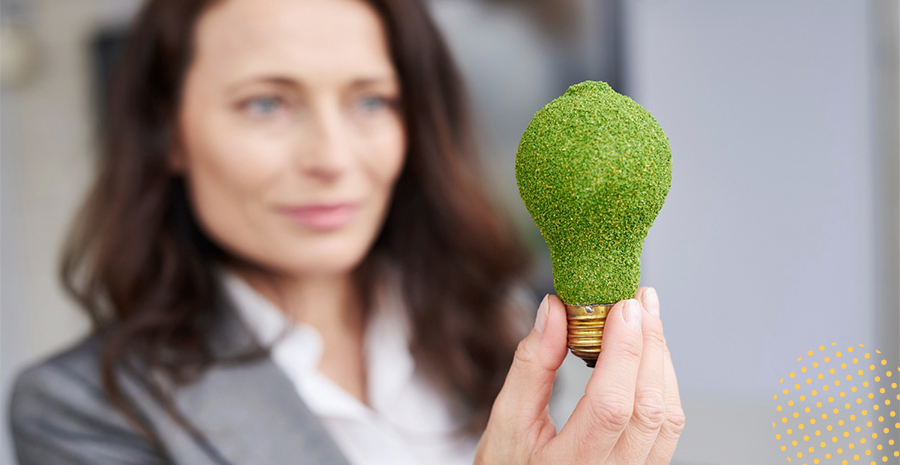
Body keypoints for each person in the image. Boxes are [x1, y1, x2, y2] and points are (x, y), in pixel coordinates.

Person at [7, 0, 685, 463]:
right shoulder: (84, 410)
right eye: (266, 103)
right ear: (170, 132)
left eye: (371, 100)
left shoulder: (499, 333)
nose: (332, 158)